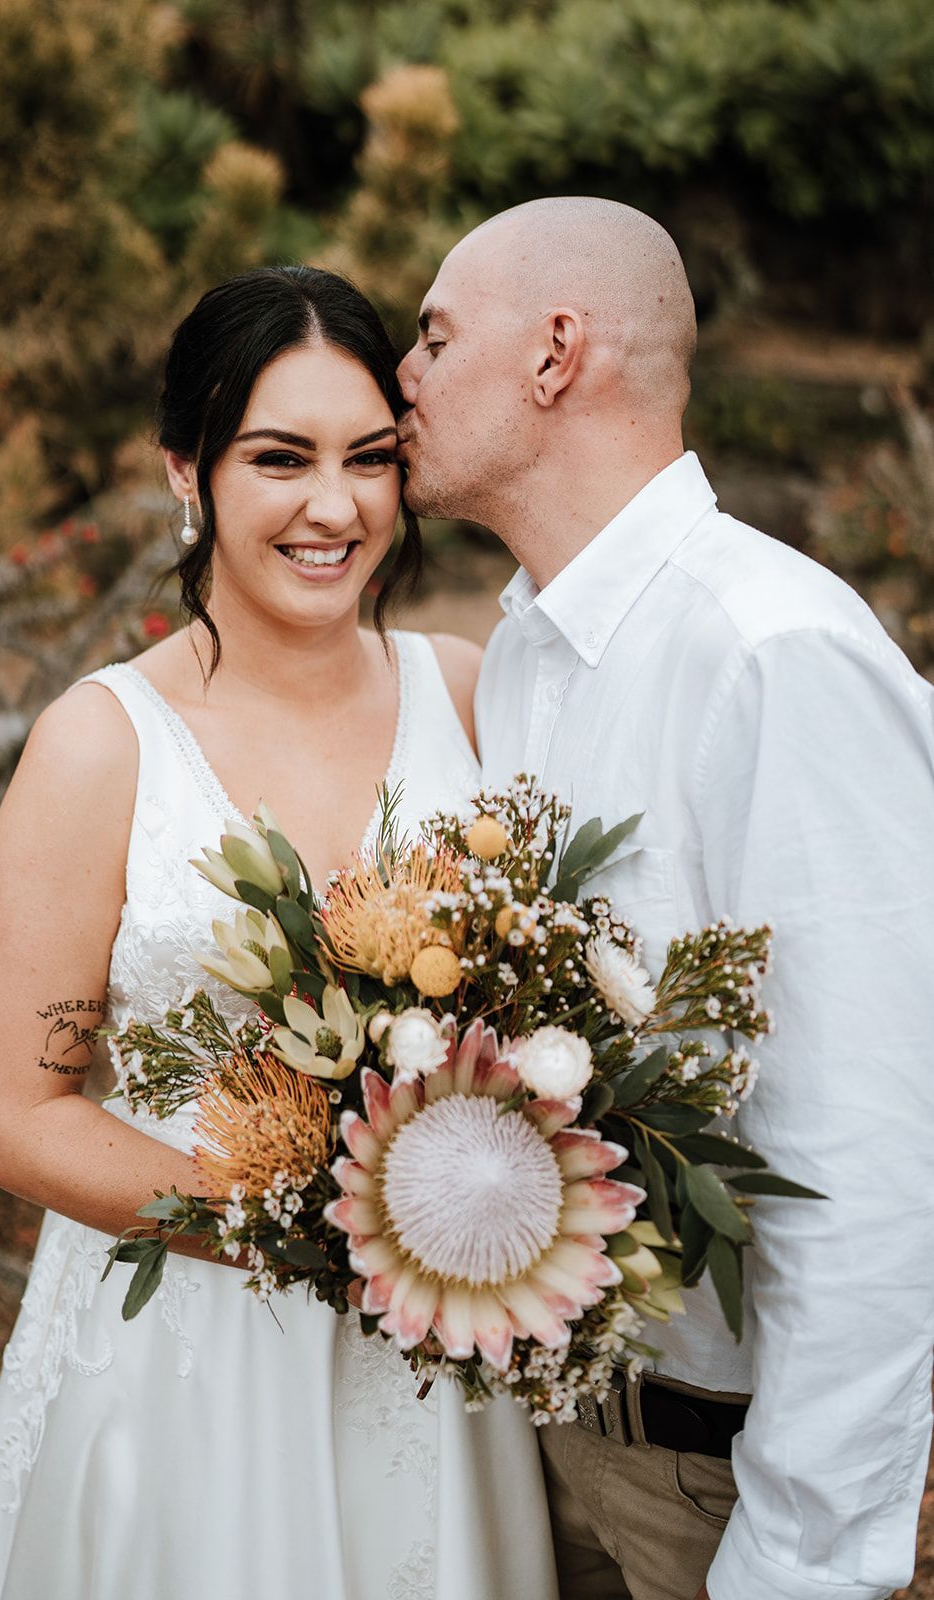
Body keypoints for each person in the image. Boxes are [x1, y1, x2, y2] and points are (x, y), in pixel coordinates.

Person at [0, 266, 559, 1600]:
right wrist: (316, 1223)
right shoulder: (100, 747)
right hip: (183, 1355)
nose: (335, 506)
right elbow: (15, 1114)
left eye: (370, 458)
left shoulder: (472, 694)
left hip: (432, 1356)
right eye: (282, 458)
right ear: (185, 471)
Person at [397, 197, 934, 1600]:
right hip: (544, 1452)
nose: (404, 372)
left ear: (555, 353)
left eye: (436, 335)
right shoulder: (520, 656)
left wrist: (803, 1560)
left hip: (717, 1487)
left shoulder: (774, 653)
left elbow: (875, 1155)